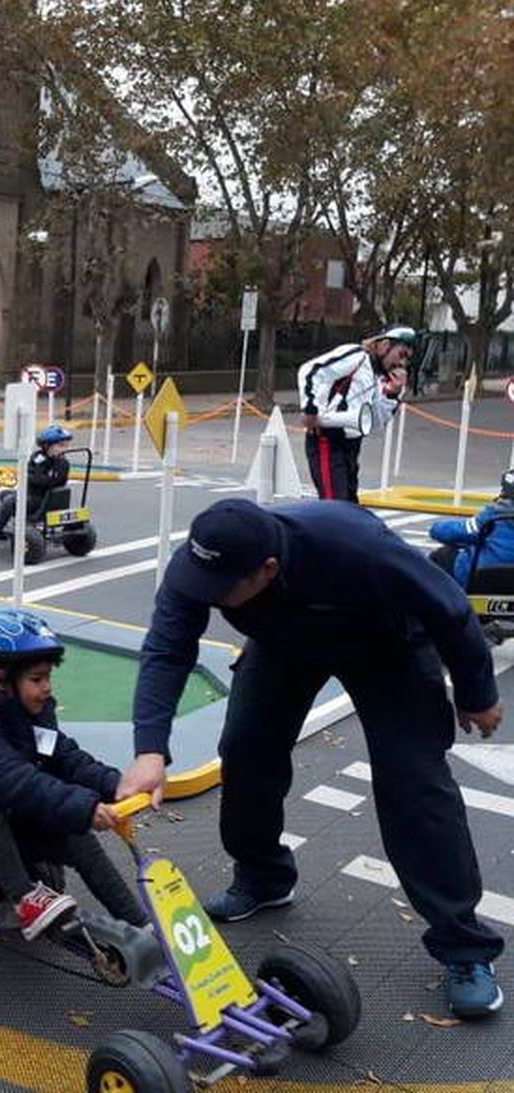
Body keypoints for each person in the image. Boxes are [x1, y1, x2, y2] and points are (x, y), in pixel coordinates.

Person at [119, 498, 505, 1019]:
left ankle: (464, 946)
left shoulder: (355, 546)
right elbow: (167, 648)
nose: (208, 599)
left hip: (386, 645)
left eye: (222, 594)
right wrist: (149, 748)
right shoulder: (202, 566)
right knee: (246, 749)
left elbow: (450, 611)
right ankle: (263, 878)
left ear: (267, 570)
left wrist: (477, 694)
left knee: (414, 781)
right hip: (284, 646)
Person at [0, 609, 147, 939]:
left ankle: (144, 927)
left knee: (77, 836)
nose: (47, 688)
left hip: (4, 821)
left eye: (48, 677)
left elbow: (64, 756)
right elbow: (18, 781)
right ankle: (25, 899)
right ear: (0, 680)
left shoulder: (31, 710)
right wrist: (84, 807)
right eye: (37, 679)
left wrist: (116, 785)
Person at [297, 325, 415, 503]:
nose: (402, 363)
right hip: (327, 439)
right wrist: (310, 408)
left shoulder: (379, 377)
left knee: (349, 506)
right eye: (401, 354)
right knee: (335, 507)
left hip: (351, 446)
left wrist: (391, 395)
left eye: (407, 359)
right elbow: (310, 370)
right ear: (384, 345)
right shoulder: (356, 356)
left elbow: (375, 422)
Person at [0, 425, 73, 540]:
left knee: (9, 501)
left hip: (40, 499)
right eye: (60, 446)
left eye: (66, 445)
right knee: (4, 494)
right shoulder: (41, 459)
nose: (64, 449)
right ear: (47, 446)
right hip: (41, 497)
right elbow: (37, 475)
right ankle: (13, 520)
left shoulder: (60, 463)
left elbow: (42, 480)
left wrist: (26, 477)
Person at [428, 470, 514, 590]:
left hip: (483, 577)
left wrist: (435, 528)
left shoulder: (493, 515)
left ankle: (439, 606)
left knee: (442, 556)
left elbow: (460, 532)